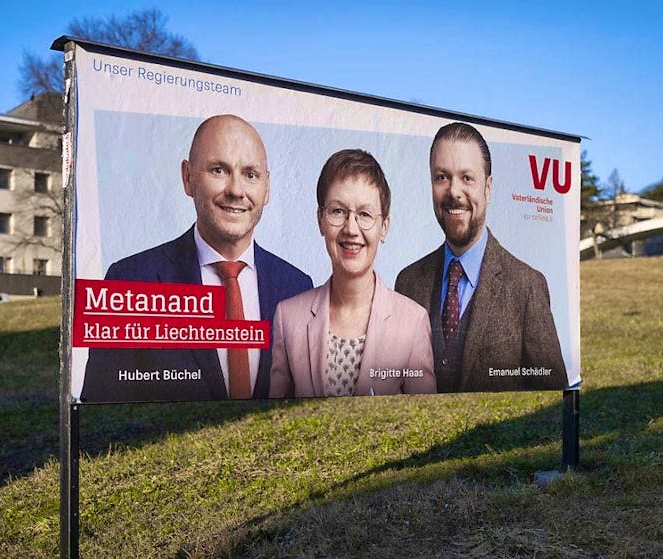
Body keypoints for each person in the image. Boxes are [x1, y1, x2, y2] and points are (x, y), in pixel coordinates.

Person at [81, 114, 312, 403]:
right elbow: (99, 417)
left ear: (267, 188)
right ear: (188, 178)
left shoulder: (298, 288)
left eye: (251, 175)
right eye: (219, 170)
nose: (236, 191)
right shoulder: (129, 280)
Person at [395, 122, 567, 392]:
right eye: (442, 177)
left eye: (467, 178)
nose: (453, 191)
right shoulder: (407, 283)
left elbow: (553, 398)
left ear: (487, 187)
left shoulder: (527, 286)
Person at [270, 149, 435, 398]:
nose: (351, 228)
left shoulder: (413, 322)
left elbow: (427, 426)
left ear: (384, 227)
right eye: (338, 211)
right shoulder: (288, 318)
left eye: (365, 215)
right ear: (320, 220)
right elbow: (272, 424)